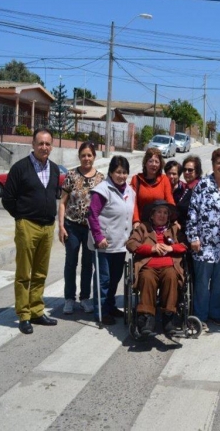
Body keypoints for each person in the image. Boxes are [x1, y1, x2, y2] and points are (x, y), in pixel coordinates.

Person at [2, 128, 60, 334]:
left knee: (40, 272)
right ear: (33, 145)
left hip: (47, 227)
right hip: (27, 225)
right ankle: (24, 315)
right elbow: (7, 198)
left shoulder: (54, 169)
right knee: (23, 273)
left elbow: (54, 194)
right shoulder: (20, 168)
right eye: (40, 143)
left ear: (52, 146)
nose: (44, 147)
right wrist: (21, 218)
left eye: (48, 144)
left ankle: (36, 311)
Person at [186, 149, 220, 331]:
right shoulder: (203, 185)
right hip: (203, 245)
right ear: (213, 164)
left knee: (218, 282)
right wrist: (194, 237)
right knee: (202, 282)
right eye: (219, 163)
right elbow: (192, 212)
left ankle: (215, 314)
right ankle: (200, 316)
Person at [87, 156, 136, 326]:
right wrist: (99, 237)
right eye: (118, 172)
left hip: (121, 244)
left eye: (124, 172)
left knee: (115, 278)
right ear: (110, 172)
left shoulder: (129, 191)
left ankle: (111, 305)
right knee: (104, 279)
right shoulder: (102, 190)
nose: (121, 176)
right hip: (104, 244)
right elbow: (92, 215)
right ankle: (100, 311)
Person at [126, 200, 187, 335]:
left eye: (165, 213)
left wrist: (171, 247)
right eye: (159, 212)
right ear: (152, 215)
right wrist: (151, 248)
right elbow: (130, 244)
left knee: (171, 276)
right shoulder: (143, 228)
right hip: (148, 266)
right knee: (147, 277)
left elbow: (184, 245)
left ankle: (169, 317)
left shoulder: (174, 229)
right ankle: (147, 318)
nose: (162, 215)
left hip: (169, 266)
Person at [58, 141, 105, 315]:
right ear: (79, 156)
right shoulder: (71, 175)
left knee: (87, 264)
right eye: (83, 155)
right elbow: (62, 203)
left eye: (89, 155)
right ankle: (69, 298)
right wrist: (61, 226)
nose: (86, 158)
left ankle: (85, 297)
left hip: (91, 229)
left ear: (94, 157)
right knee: (71, 262)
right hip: (72, 226)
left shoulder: (101, 178)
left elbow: (104, 205)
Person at [130, 147, 174, 227]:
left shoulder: (164, 179)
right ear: (145, 163)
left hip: (160, 224)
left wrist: (174, 218)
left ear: (160, 164)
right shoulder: (136, 179)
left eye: (157, 162)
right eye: (150, 161)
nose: (154, 164)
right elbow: (133, 203)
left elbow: (169, 200)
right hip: (141, 224)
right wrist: (136, 220)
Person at [176, 155, 202, 231]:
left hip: (192, 234)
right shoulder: (186, 187)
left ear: (197, 172)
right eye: (184, 170)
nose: (186, 172)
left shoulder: (199, 189)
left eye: (190, 170)